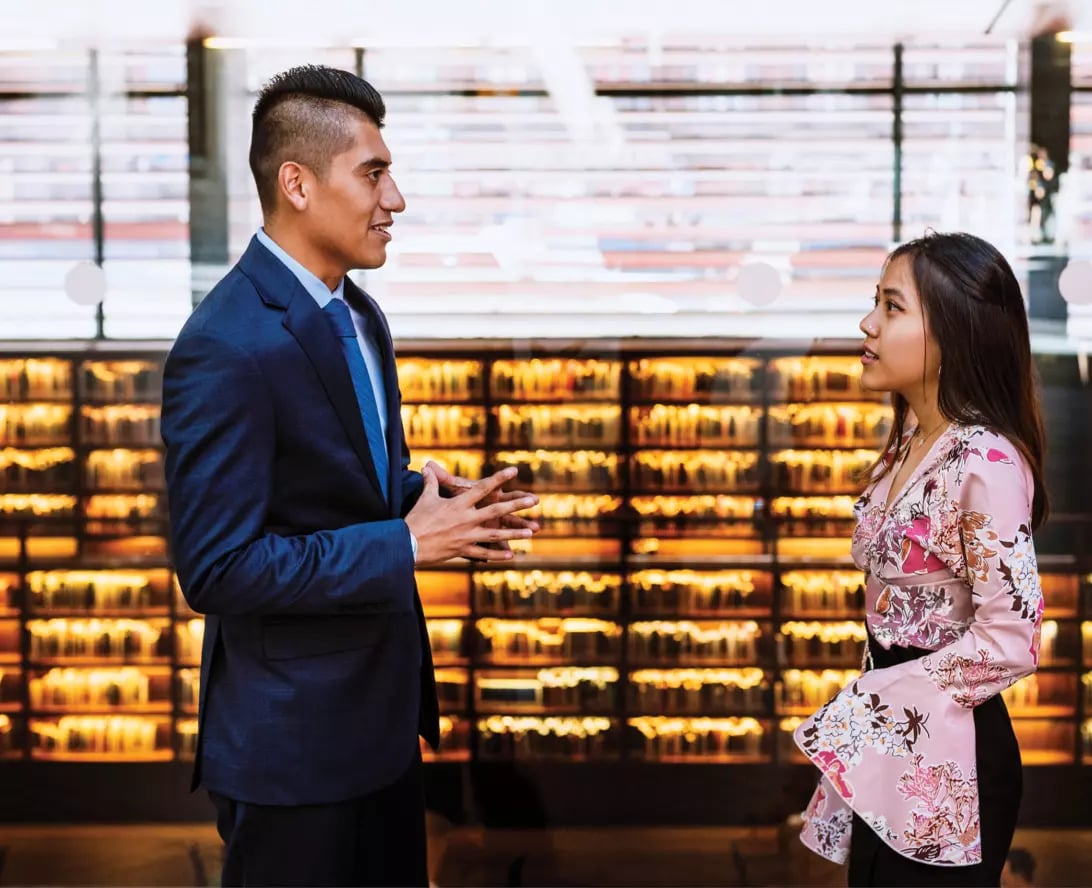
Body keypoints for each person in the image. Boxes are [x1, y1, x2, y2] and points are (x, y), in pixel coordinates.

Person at [161, 65, 539, 888]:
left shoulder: (358, 311)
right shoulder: (224, 344)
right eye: (373, 173)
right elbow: (218, 568)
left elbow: (339, 487)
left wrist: (432, 503)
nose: (394, 199)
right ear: (296, 183)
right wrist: (404, 544)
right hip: (290, 751)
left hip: (379, 727)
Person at [792, 232, 1048, 886]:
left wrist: (875, 701)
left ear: (952, 334)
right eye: (874, 303)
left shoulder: (985, 460)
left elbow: (1012, 639)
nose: (867, 323)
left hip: (950, 750)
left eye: (891, 307)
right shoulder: (911, 438)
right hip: (902, 736)